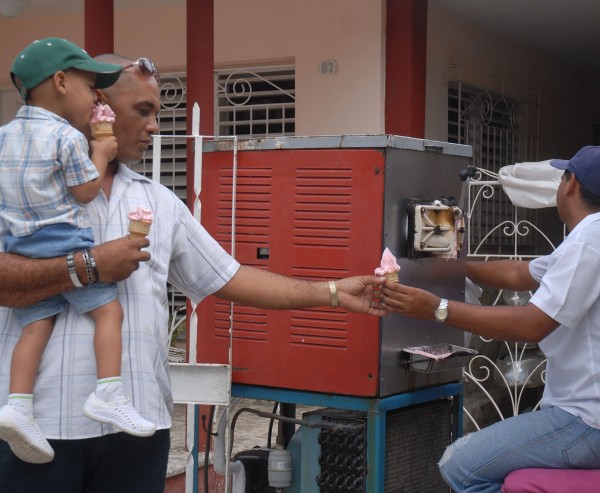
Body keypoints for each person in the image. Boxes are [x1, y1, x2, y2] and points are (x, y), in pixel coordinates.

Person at [0, 52, 386, 492]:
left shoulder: (159, 203)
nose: (155, 127)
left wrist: (332, 292)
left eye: (157, 113)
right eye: (142, 111)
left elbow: (229, 277)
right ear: (97, 106)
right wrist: (89, 266)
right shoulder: (16, 189)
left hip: (137, 429)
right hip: (37, 432)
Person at [382, 145, 600, 492]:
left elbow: (533, 323)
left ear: (570, 184)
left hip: (586, 420)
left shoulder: (590, 239)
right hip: (585, 415)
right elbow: (519, 274)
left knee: (460, 465)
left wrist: (436, 308)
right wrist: (450, 263)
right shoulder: (586, 239)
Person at [0, 38, 156, 466]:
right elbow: (85, 192)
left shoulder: (4, 137)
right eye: (91, 87)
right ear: (62, 82)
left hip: (21, 246)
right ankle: (108, 391)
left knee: (36, 326)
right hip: (64, 241)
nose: (94, 98)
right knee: (109, 313)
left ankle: (17, 404)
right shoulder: (66, 137)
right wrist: (101, 153)